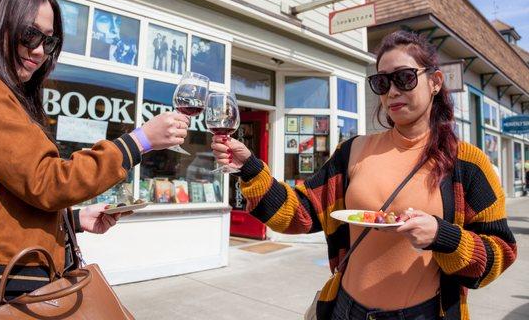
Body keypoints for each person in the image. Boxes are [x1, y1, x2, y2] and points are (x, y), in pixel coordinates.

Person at [0, 0, 190, 318]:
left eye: (49, 41)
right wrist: (139, 141)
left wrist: (76, 219)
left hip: (7, 281)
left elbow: (1, 198)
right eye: (29, 35)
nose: (39, 50)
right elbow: (47, 181)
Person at [212, 31, 517, 320]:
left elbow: (501, 253)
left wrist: (444, 237)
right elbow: (300, 213)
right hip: (347, 308)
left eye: (405, 78)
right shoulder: (354, 151)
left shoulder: (467, 162)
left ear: (435, 81)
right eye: (382, 83)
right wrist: (250, 166)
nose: (393, 91)